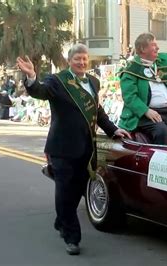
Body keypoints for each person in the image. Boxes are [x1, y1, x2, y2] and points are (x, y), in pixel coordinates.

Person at [16, 43, 131, 255]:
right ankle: (71, 237)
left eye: (85, 59)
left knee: (77, 190)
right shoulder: (57, 81)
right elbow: (40, 91)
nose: (82, 62)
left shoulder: (94, 82)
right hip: (62, 148)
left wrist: (114, 130)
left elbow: (99, 112)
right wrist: (32, 77)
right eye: (77, 59)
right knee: (65, 192)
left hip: (86, 147)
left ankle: (61, 220)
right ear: (70, 61)